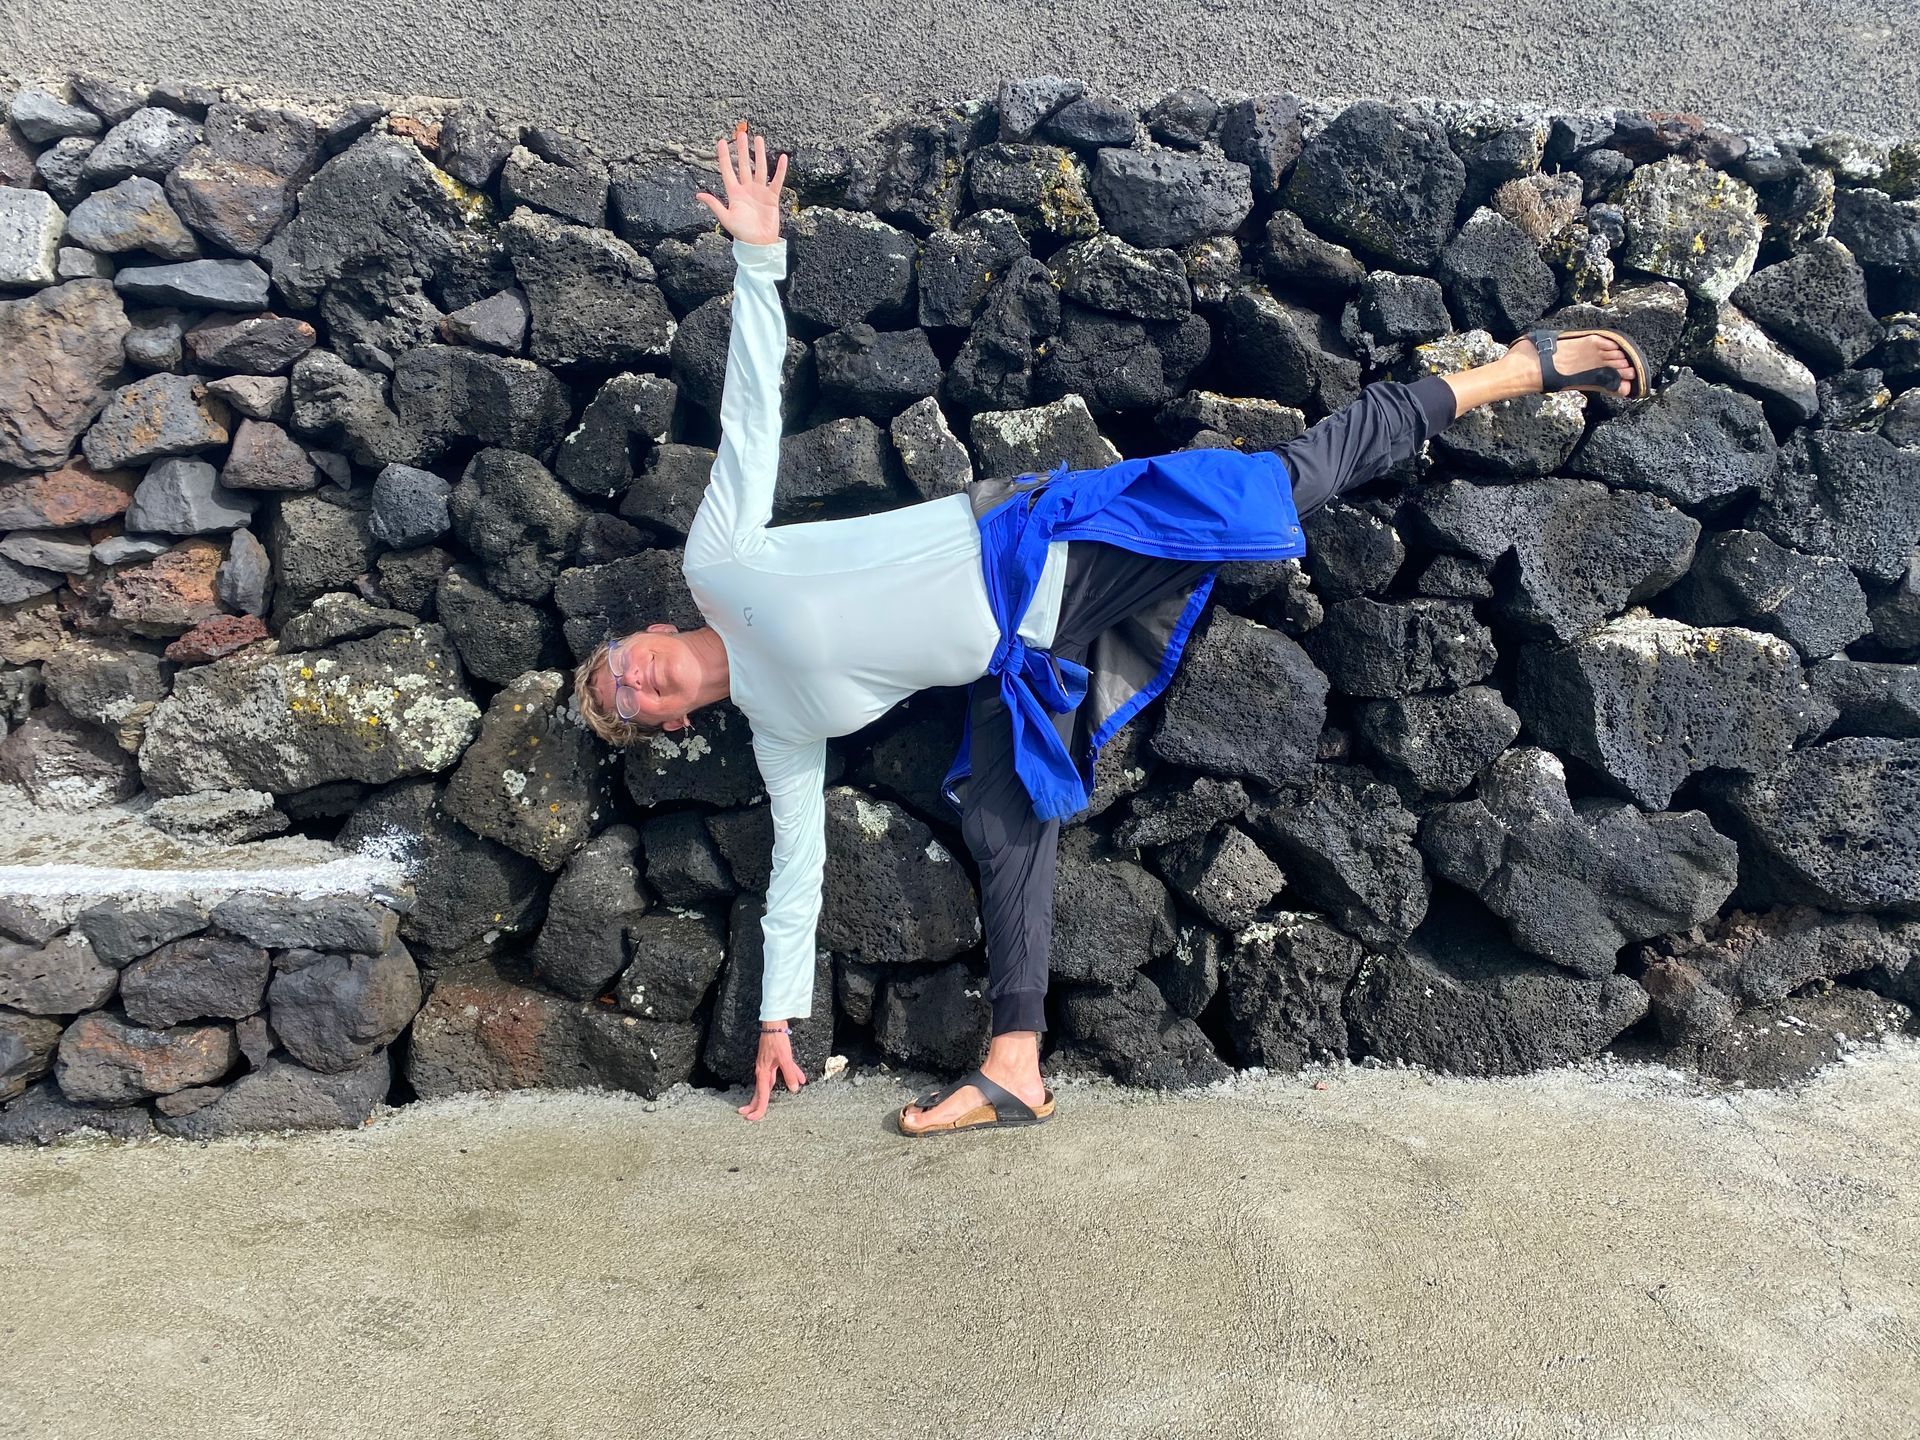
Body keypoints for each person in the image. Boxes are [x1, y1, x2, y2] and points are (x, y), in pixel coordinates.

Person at [573, 123, 1650, 1136]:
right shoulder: (777, 726)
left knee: (1280, 488)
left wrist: (760, 261)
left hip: (1048, 545)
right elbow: (795, 871)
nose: (636, 686)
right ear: (667, 727)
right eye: (628, 708)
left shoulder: (718, 565)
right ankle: (1014, 1066)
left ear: (646, 632)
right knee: (1003, 817)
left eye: (617, 669)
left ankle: (1518, 367)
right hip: (1023, 660)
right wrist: (772, 1020)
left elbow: (753, 419)